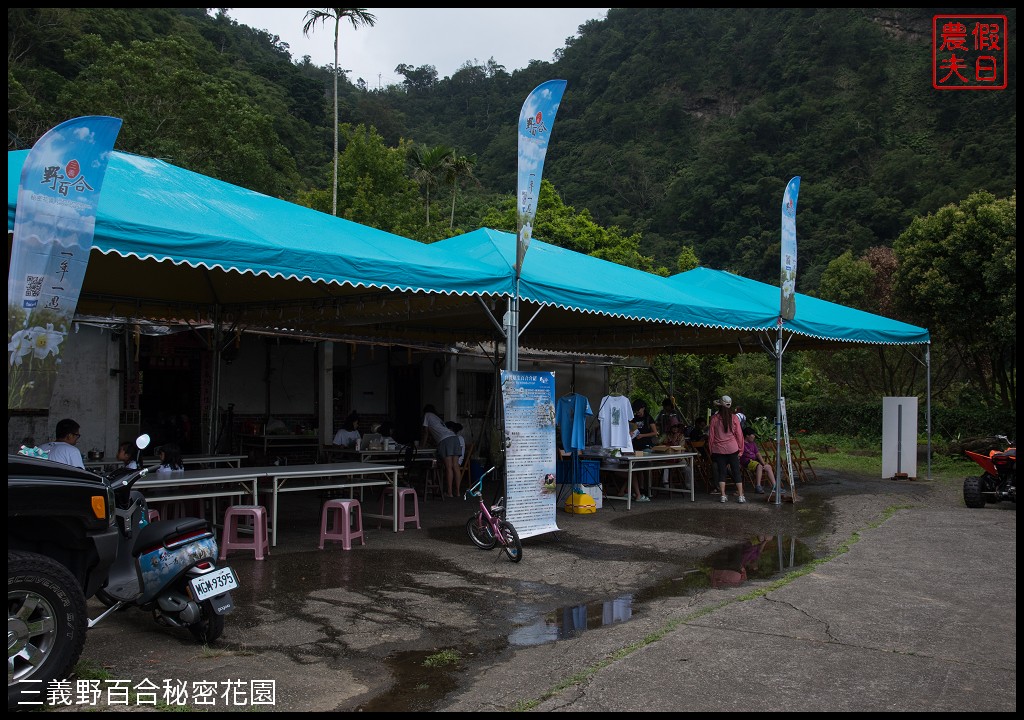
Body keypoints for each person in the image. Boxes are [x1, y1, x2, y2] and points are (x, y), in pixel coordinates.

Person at [708, 395, 746, 503]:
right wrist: (741, 449)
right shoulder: (734, 418)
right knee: (736, 472)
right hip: (733, 448)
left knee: (722, 472)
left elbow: (711, 436)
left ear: (719, 405)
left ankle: (723, 495)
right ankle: (741, 496)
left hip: (718, 449)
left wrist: (711, 449)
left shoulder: (714, 418)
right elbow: (739, 435)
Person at [420, 404, 461, 497]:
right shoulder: (437, 418)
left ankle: (450, 493)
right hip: (454, 438)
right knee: (455, 466)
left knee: (449, 467)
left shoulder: (427, 415)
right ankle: (458, 492)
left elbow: (426, 432)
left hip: (445, 440)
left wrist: (422, 446)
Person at [628, 399, 659, 503]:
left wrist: (642, 435)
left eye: (639, 410)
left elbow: (655, 432)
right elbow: (630, 429)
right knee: (637, 468)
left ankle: (647, 489)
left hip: (646, 446)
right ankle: (640, 490)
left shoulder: (648, 418)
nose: (637, 412)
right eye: (636, 411)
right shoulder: (633, 419)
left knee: (646, 467)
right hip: (635, 447)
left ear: (643, 408)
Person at [741, 427, 776, 494]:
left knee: (768, 467)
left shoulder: (753, 443)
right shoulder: (741, 444)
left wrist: (764, 463)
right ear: (747, 436)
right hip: (746, 462)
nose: (754, 436)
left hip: (755, 461)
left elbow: (758, 454)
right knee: (759, 466)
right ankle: (758, 486)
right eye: (752, 434)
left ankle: (774, 486)